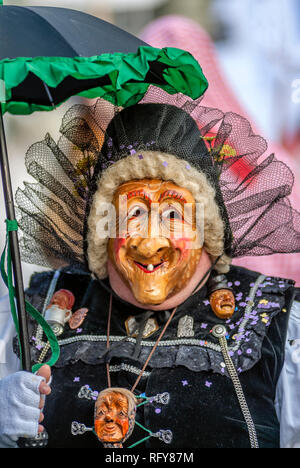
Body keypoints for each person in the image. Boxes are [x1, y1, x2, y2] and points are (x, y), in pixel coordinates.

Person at [0, 89, 300, 448]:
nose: (150, 241)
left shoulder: (276, 323)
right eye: (134, 213)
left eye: (173, 215)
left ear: (206, 229)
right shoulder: (32, 310)